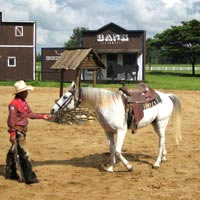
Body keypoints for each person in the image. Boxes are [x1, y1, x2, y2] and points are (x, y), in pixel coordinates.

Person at [6, 80, 51, 184]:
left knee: (14, 151)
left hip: (21, 131)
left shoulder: (23, 102)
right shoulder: (14, 104)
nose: (27, 93)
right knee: (23, 154)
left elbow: (30, 114)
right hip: (17, 132)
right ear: (20, 93)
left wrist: (42, 116)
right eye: (25, 91)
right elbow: (11, 120)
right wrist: (12, 134)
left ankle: (11, 173)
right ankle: (28, 178)